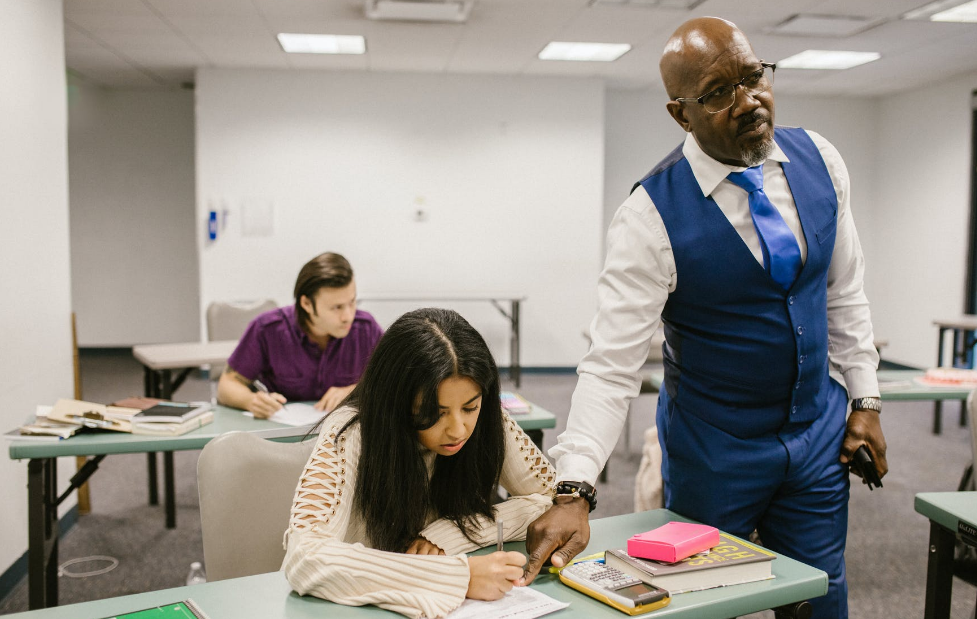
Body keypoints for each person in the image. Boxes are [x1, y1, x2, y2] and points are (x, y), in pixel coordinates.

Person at [522, 17, 887, 619]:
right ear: (680, 113)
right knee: (698, 602)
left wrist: (865, 401)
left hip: (818, 436)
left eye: (754, 77)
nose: (750, 101)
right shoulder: (650, 217)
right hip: (715, 450)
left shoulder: (822, 160)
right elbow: (611, 365)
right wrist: (575, 486)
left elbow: (844, 294)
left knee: (822, 594)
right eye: (720, 92)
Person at [282, 308, 555, 618]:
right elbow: (305, 556)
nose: (457, 429)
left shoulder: (487, 417)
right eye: (435, 413)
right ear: (397, 401)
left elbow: (552, 501)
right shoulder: (350, 432)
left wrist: (448, 533)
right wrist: (459, 577)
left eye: (470, 407)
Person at [217, 252, 383, 417]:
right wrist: (251, 401)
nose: (348, 316)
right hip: (282, 436)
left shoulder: (366, 329)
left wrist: (354, 391)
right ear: (307, 304)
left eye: (352, 302)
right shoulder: (267, 330)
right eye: (336, 307)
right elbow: (227, 385)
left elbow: (394, 382)